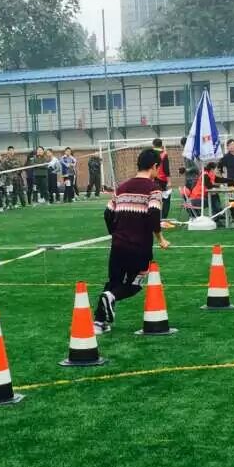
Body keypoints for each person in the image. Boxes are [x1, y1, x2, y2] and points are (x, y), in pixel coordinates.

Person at [93, 146, 170, 332]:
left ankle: (98, 323)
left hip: (118, 245)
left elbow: (107, 213)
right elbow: (153, 215)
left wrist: (115, 233)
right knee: (134, 285)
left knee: (113, 282)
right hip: (139, 247)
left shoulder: (121, 188)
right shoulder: (154, 190)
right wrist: (161, 239)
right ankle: (111, 298)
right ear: (154, 166)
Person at [151, 138, 171, 219]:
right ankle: (163, 217)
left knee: (155, 198)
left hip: (153, 178)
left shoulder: (150, 154)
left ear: (153, 145)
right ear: (161, 145)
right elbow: (166, 169)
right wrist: (169, 181)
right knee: (166, 197)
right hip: (162, 179)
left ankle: (155, 216)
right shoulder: (164, 154)